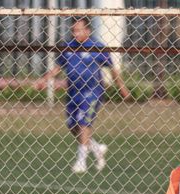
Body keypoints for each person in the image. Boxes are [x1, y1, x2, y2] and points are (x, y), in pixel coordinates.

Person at [35, 17, 130, 174]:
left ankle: (81, 162)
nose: (75, 33)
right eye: (73, 30)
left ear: (88, 31)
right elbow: (58, 67)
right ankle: (96, 148)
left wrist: (122, 87)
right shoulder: (68, 47)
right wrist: (44, 80)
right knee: (73, 125)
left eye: (78, 30)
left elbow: (112, 68)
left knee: (84, 123)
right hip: (73, 93)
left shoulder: (97, 47)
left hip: (92, 92)